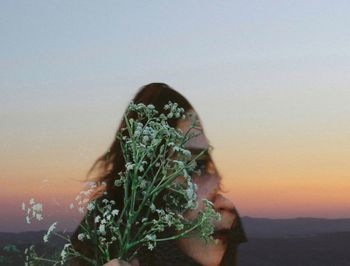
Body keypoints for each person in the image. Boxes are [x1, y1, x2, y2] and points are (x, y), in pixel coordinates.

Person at [71, 83, 247, 266]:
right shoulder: (106, 223)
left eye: (201, 163)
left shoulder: (217, 219)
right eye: (186, 162)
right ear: (149, 160)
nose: (198, 179)